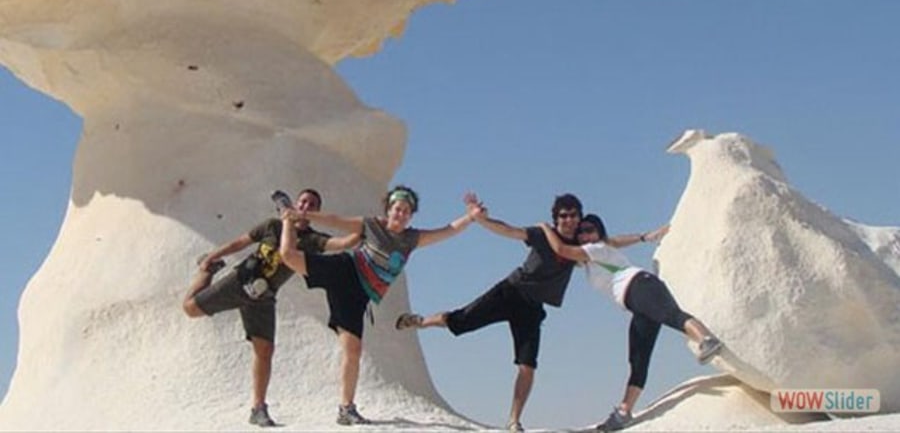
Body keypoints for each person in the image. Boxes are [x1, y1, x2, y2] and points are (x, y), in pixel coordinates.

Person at [278, 185, 480, 426]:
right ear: (389, 209)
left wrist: (470, 217)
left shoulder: (411, 238)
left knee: (353, 350)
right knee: (289, 256)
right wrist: (300, 215)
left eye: (406, 211)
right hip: (345, 270)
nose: (400, 214)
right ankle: (285, 218)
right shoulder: (372, 225)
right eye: (397, 209)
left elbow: (446, 231)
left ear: (411, 215)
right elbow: (335, 220)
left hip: (359, 295)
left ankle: (346, 408)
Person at [395, 193, 585, 433]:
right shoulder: (542, 234)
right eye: (563, 216)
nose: (568, 220)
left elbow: (607, 245)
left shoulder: (580, 246)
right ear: (556, 219)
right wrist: (482, 220)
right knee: (461, 320)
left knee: (527, 365)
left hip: (533, 308)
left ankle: (514, 420)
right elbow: (511, 231)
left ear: (579, 218)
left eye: (573, 215)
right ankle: (422, 321)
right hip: (510, 292)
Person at [182, 188, 360, 427]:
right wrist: (212, 257)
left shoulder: (312, 240)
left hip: (264, 296)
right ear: (296, 204)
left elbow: (339, 244)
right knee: (190, 309)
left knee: (264, 350)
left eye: (312, 205)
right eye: (303, 201)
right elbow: (240, 242)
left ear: (316, 212)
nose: (306, 206)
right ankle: (207, 273)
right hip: (240, 281)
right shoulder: (272, 226)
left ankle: (258, 408)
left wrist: (364, 230)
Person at [538, 214, 724, 432]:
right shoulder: (593, 255)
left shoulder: (596, 248)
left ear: (599, 232)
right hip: (635, 303)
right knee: (638, 357)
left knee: (670, 315)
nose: (585, 234)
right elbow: (616, 241)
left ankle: (706, 340)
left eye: (590, 229)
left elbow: (562, 250)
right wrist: (646, 236)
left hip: (640, 286)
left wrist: (544, 228)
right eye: (581, 231)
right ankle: (624, 413)